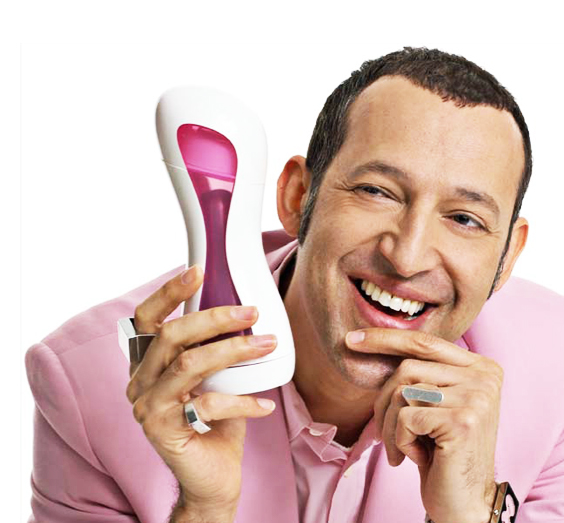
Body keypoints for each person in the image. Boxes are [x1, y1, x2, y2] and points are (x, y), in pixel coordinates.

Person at [25, 47, 564, 523]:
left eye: (465, 219)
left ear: (508, 256)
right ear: (297, 197)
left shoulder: (555, 380)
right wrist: (205, 510)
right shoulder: (86, 383)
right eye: (377, 191)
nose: (407, 257)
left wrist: (472, 514)